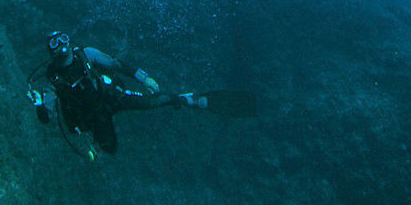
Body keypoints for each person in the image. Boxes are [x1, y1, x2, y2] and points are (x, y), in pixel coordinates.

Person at [28, 31, 255, 159]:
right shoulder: (52, 80)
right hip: (91, 116)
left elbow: (116, 64)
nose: (61, 45)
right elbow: (47, 116)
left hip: (111, 97)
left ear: (69, 41)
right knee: (109, 149)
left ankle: (186, 100)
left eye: (63, 39)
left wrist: (143, 78)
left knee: (153, 102)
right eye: (55, 43)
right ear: (51, 52)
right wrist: (39, 106)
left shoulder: (86, 54)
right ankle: (97, 142)